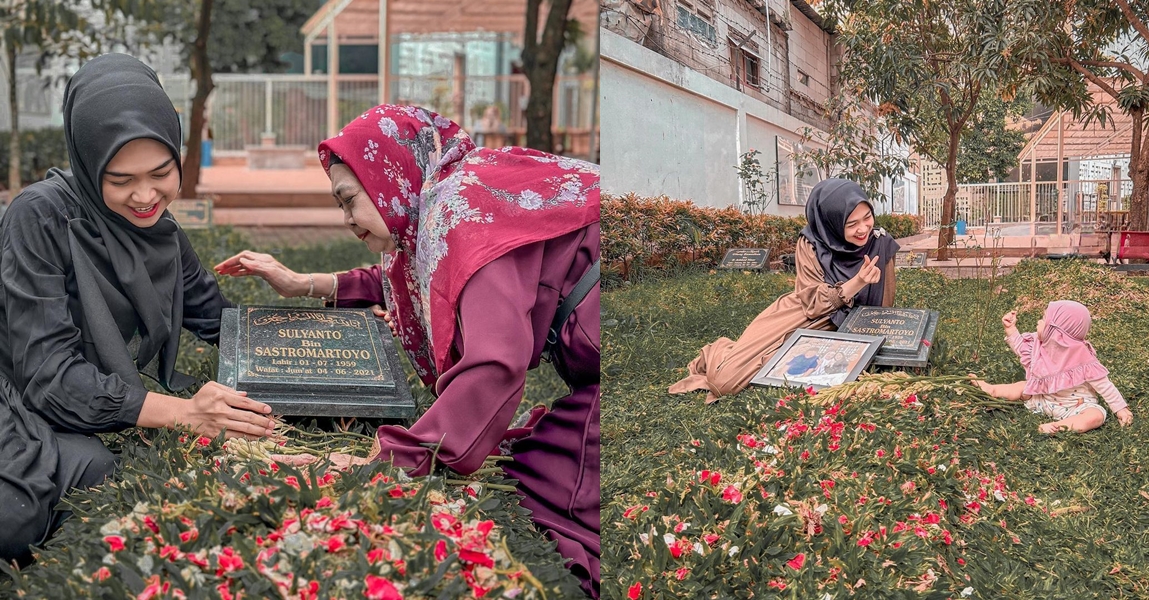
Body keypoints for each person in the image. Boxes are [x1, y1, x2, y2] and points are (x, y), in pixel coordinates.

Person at [213, 105, 601, 597]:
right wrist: (300, 283)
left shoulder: (460, 208)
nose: (348, 219)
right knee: (534, 463)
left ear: (387, 174)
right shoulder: (444, 205)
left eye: (349, 199)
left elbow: (495, 363)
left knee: (551, 488)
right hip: (590, 367)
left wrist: (404, 456)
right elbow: (410, 278)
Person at [0, 54, 274, 564]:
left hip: (62, 414)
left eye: (161, 172)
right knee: (15, 516)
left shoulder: (163, 238)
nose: (146, 196)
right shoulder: (37, 216)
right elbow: (47, 373)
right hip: (15, 392)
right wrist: (185, 413)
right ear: (87, 161)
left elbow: (220, 320)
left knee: (93, 467)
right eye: (120, 178)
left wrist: (330, 315)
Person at [669, 178, 899, 403]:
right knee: (724, 383)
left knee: (795, 367)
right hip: (804, 314)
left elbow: (883, 304)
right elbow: (812, 302)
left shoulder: (880, 242)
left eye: (867, 217)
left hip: (848, 326)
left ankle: (764, 356)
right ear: (832, 223)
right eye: (851, 224)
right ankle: (722, 350)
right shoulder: (811, 242)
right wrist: (857, 282)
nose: (863, 228)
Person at [971, 301, 1134, 434]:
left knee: (1096, 416)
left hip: (1076, 407)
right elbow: (1021, 349)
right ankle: (991, 390)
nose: (1038, 321)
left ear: (1057, 331)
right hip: (1043, 400)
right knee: (1022, 387)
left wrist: (1121, 409)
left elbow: (1105, 386)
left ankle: (1059, 426)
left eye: (1043, 319)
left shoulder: (1084, 358)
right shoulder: (1040, 344)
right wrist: (1010, 329)